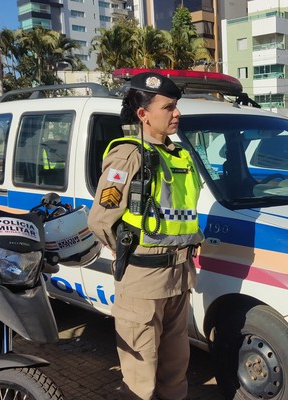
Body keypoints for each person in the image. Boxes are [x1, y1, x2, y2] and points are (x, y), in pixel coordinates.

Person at [88, 72, 203, 400]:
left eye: (176, 106)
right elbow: (100, 220)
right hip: (143, 280)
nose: (176, 113)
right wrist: (127, 251)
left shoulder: (177, 154)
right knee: (141, 380)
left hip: (178, 279)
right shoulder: (129, 155)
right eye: (168, 107)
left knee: (175, 372)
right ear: (143, 114)